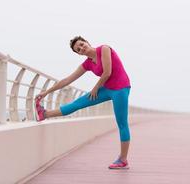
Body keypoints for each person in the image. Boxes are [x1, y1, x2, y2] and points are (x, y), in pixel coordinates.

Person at [35, 36, 131, 169]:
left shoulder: (104, 49)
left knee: (122, 124)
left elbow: (108, 72)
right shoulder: (87, 64)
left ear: (87, 42)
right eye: (78, 49)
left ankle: (123, 159)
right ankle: (44, 114)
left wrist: (96, 88)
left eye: (81, 44)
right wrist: (46, 92)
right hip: (106, 88)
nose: (81, 48)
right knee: (78, 103)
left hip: (120, 88)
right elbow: (67, 80)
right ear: (79, 54)